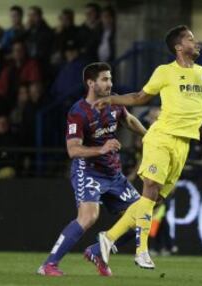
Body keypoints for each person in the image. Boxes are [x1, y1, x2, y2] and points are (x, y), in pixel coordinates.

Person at [93, 25, 202, 269]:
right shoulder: (165, 71)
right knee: (150, 191)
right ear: (179, 47)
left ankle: (107, 239)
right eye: (191, 39)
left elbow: (195, 103)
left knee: (153, 200)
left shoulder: (201, 72)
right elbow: (140, 97)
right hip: (161, 137)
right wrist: (111, 99)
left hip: (183, 145)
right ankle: (141, 251)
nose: (197, 41)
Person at [37, 62, 147, 277]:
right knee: (88, 217)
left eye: (110, 78)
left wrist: (149, 135)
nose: (110, 83)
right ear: (91, 83)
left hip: (113, 173)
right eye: (105, 79)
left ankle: (97, 251)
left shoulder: (113, 102)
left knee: (140, 219)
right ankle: (49, 265)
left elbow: (129, 119)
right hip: (88, 171)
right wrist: (102, 149)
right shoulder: (78, 112)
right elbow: (73, 150)